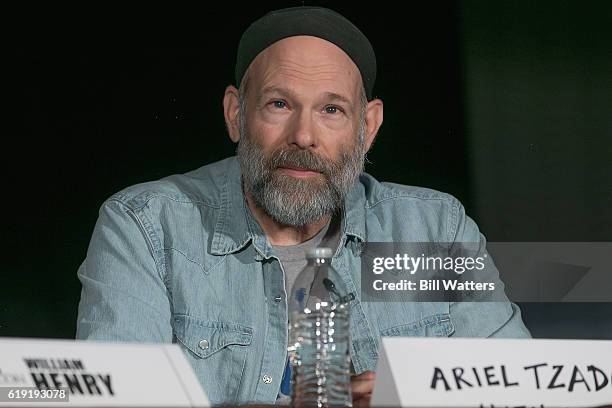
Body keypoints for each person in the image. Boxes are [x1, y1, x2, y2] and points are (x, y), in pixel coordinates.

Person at [76, 6, 530, 407]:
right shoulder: (147, 226)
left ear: (367, 127)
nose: (304, 135)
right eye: (279, 103)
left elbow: (524, 391)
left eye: (331, 110)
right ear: (236, 114)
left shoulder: (434, 230)